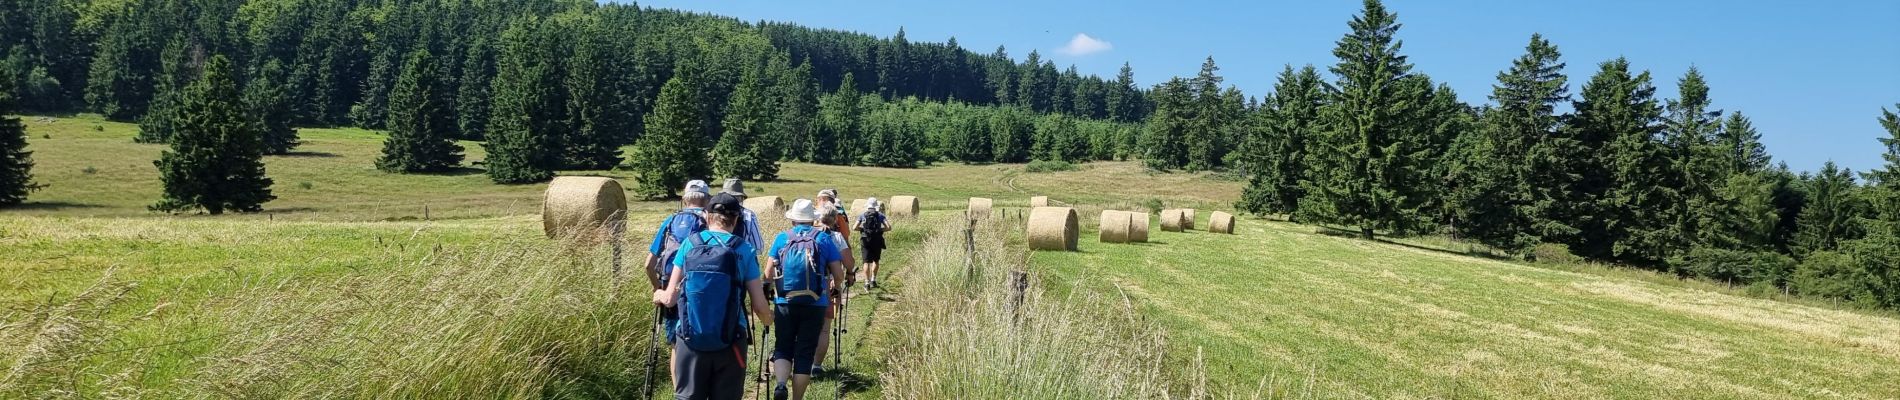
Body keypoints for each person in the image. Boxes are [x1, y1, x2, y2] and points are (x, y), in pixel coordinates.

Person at [653, 192, 772, 400]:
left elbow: (670, 298)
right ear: (736, 219)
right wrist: (770, 319)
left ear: (708, 216)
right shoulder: (744, 249)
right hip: (731, 338)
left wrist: (659, 294)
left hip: (690, 336)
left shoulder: (689, 244)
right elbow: (759, 307)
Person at [765, 199, 846, 400]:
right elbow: (838, 274)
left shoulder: (782, 238)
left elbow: (767, 274)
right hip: (815, 303)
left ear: (793, 219)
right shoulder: (823, 239)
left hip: (785, 302)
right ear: (813, 220)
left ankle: (781, 384)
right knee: (805, 351)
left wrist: (768, 292)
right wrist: (835, 287)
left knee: (783, 346)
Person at [646, 180, 712, 382]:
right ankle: (700, 386)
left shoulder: (670, 221)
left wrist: (658, 288)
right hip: (701, 287)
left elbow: (649, 264)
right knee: (703, 338)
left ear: (684, 200)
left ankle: (679, 391)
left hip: (669, 285)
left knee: (676, 343)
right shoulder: (710, 222)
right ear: (707, 200)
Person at [808, 205, 852, 374]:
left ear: (817, 218)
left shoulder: (808, 235)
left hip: (806, 284)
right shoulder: (837, 237)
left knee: (805, 324)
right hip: (830, 285)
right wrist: (847, 275)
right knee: (824, 328)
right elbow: (849, 263)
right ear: (835, 220)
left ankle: (801, 361)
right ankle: (816, 366)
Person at [854, 198, 892, 289]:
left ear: (867, 205)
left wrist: (863, 229)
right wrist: (880, 230)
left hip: (865, 240)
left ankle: (866, 283)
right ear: (876, 206)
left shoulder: (862, 215)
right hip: (877, 240)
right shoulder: (880, 215)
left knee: (866, 262)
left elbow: (854, 227)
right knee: (876, 260)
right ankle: (873, 280)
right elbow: (889, 227)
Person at [721, 178, 765, 253]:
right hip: (739, 256)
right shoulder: (748, 215)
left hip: (715, 257)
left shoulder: (713, 213)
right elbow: (758, 247)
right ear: (741, 198)